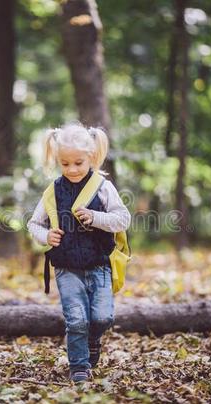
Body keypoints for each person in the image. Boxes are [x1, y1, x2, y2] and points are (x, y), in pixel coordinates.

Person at [27, 123, 131, 383]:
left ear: (92, 157)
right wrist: (46, 236)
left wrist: (95, 217)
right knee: (76, 320)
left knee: (102, 317)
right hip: (66, 266)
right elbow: (34, 224)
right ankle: (79, 367)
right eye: (65, 164)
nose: (72, 169)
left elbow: (123, 219)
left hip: (100, 264)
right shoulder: (53, 190)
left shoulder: (103, 187)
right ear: (57, 160)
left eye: (78, 162)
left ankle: (93, 341)